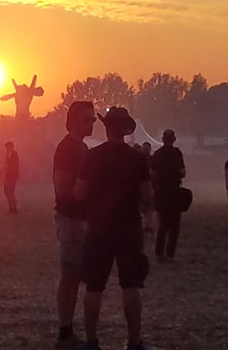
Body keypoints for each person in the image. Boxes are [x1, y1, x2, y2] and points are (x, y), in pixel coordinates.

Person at [75, 107, 151, 350]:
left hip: (98, 227)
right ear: (126, 130)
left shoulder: (92, 156)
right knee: (131, 285)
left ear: (106, 128)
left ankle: (91, 341)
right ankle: (133, 342)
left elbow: (79, 193)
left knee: (94, 286)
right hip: (129, 226)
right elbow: (147, 196)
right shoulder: (137, 158)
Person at [53, 101, 95, 348]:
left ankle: (67, 329)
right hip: (71, 219)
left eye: (92, 119)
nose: (90, 123)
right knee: (70, 275)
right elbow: (63, 188)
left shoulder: (81, 148)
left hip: (80, 218)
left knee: (75, 275)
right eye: (85, 119)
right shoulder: (68, 148)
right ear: (72, 122)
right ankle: (65, 331)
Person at [151, 129, 186, 262]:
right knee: (174, 226)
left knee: (162, 225)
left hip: (161, 192)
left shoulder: (157, 154)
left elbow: (152, 173)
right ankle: (170, 254)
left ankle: (159, 253)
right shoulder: (177, 153)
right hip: (174, 191)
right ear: (174, 139)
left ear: (163, 139)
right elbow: (182, 171)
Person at [140, 142, 154, 236]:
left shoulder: (140, 159)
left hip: (148, 184)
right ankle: (146, 226)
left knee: (148, 207)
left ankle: (146, 226)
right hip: (144, 184)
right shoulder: (140, 159)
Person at [4, 141, 20, 213]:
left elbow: (9, 164)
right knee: (7, 192)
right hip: (9, 175)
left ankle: (13, 207)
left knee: (9, 192)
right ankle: (11, 207)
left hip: (11, 176)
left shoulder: (14, 155)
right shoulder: (11, 155)